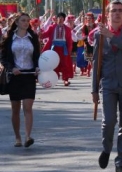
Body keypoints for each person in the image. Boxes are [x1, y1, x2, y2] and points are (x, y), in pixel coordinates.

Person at [91, 0, 122, 172]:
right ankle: (106, 148)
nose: (117, 14)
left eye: (120, 11)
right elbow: (97, 62)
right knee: (109, 121)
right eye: (113, 11)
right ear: (108, 14)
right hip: (108, 83)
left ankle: (121, 162)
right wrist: (94, 89)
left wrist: (112, 37)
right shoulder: (98, 35)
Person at [0, 12, 40, 147]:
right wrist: (11, 68)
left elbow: (37, 56)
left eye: (27, 21)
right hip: (15, 76)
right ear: (17, 22)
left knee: (28, 107)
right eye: (23, 20)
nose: (26, 23)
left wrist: (38, 67)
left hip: (29, 75)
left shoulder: (32, 37)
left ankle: (28, 136)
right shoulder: (9, 38)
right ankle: (17, 137)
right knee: (15, 109)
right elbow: (3, 58)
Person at [41, 12, 74, 86]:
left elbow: (69, 40)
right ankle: (54, 79)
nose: (60, 20)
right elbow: (45, 34)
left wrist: (69, 49)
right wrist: (40, 34)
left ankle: (65, 79)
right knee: (54, 63)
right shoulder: (52, 27)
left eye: (62, 18)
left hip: (63, 48)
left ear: (64, 19)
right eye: (59, 18)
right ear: (56, 19)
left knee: (65, 63)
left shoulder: (67, 29)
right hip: (54, 47)